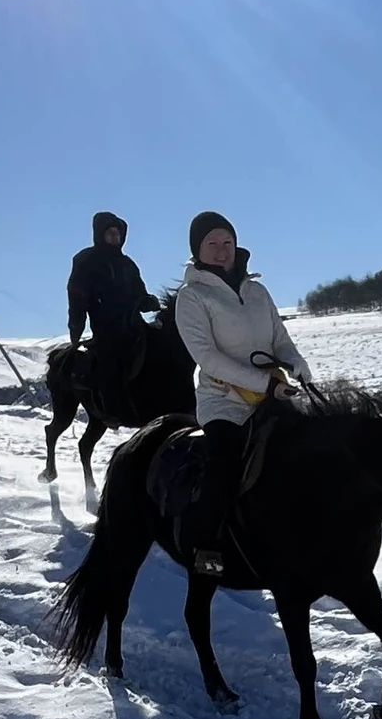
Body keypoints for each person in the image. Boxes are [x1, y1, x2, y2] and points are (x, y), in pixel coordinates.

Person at [175, 211, 312, 576]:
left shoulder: (257, 291)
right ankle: (208, 547)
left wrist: (296, 363)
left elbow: (279, 340)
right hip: (223, 402)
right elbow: (206, 356)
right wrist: (264, 384)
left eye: (227, 243)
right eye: (212, 244)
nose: (222, 251)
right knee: (224, 464)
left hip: (273, 395)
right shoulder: (192, 296)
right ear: (197, 250)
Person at [67, 212, 160, 425]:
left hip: (134, 322)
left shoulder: (128, 264)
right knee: (111, 359)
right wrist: (75, 328)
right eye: (110, 233)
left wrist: (148, 301)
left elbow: (139, 291)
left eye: (118, 233)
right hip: (106, 325)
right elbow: (77, 297)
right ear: (100, 234)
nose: (115, 237)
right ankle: (112, 410)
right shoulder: (86, 261)